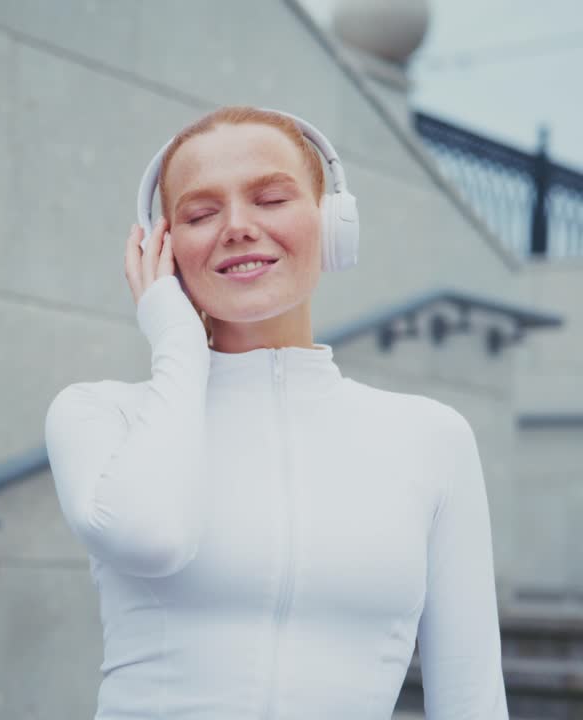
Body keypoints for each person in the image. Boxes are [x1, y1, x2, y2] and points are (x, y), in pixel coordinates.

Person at [44, 105, 508, 719]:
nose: (237, 226)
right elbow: (152, 536)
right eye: (201, 213)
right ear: (162, 247)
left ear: (334, 223)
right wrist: (176, 338)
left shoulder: (432, 437)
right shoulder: (101, 414)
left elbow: (470, 696)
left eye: (270, 199)